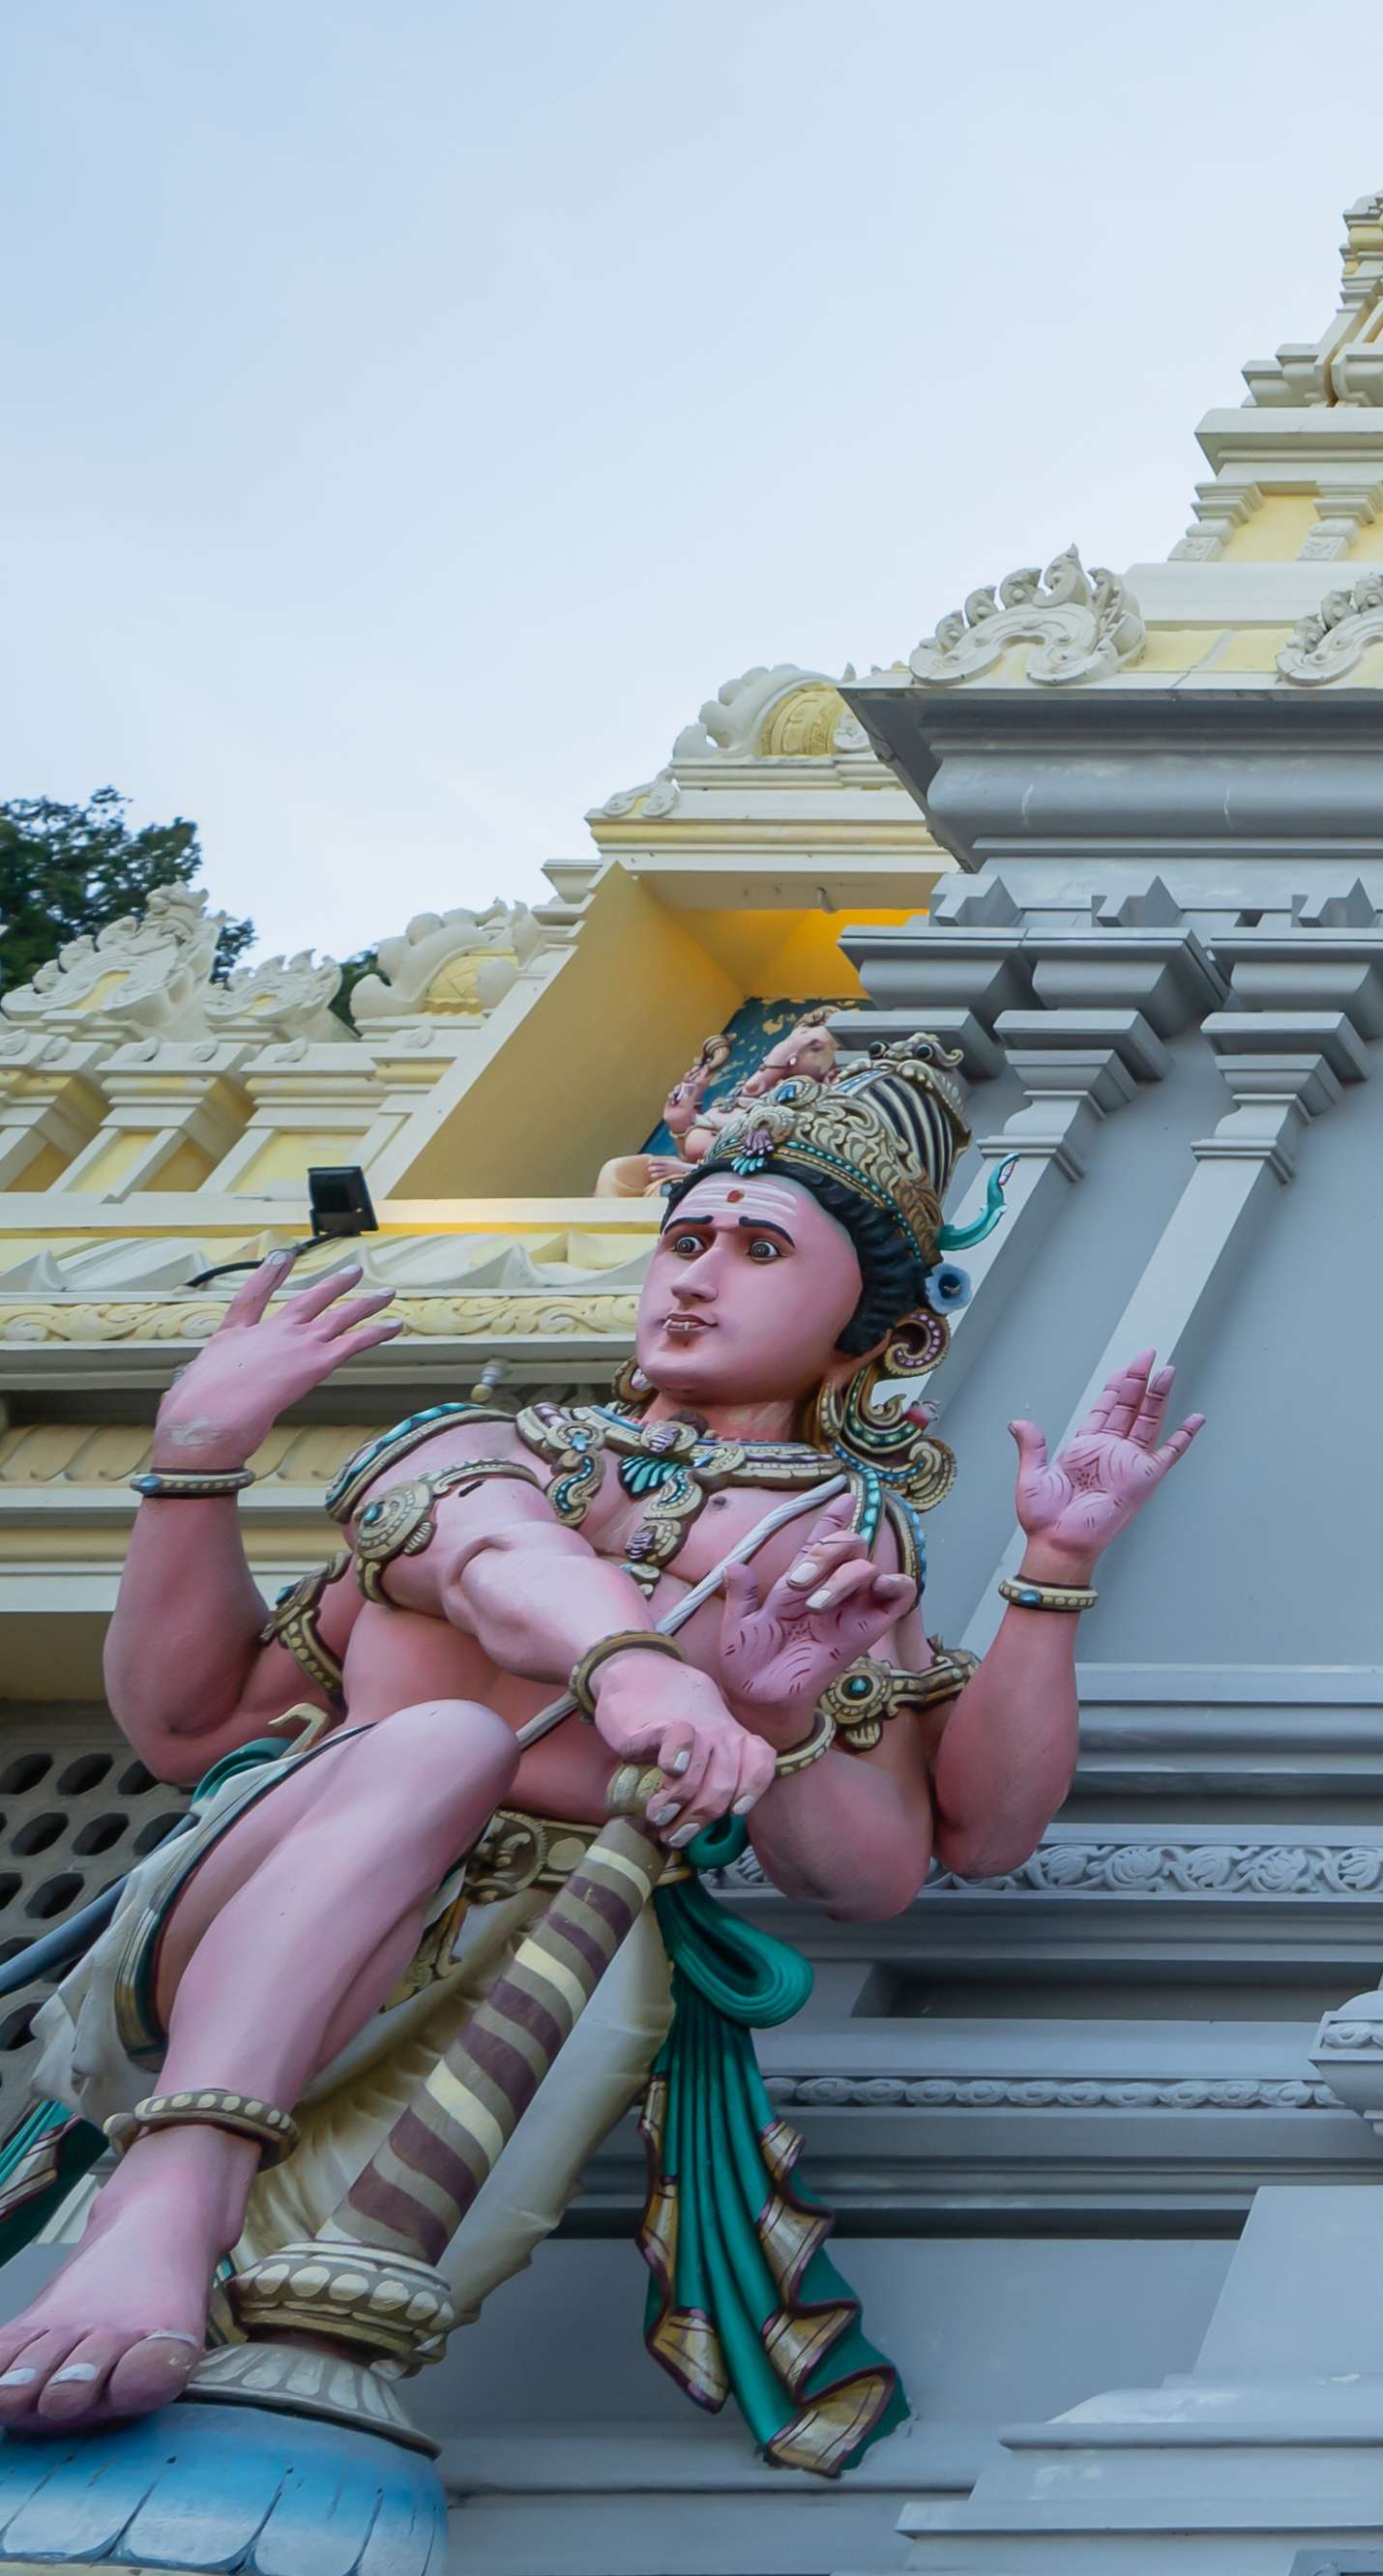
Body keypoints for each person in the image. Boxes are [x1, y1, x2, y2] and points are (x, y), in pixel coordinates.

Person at [0, 1029, 1200, 2460]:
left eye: (760, 1248)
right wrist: (192, 1459)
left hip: (561, 1969)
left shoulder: (837, 1545)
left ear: (867, 1331)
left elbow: (899, 1866)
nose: (695, 1272)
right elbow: (205, 1720)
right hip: (269, 1917)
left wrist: (1020, 1581)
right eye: (686, 1235)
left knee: (319, 2355)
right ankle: (169, 2190)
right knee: (435, 1747)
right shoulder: (479, 1447)